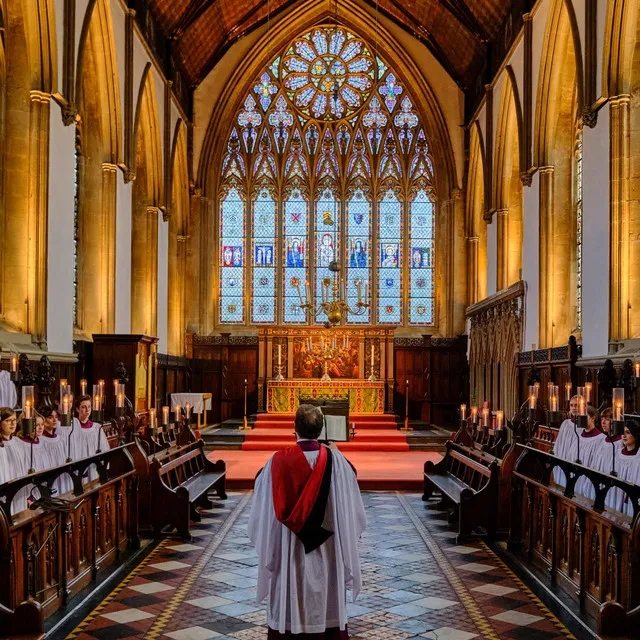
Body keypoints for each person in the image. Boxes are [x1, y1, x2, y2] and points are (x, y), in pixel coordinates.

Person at [249, 404, 366, 639]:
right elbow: (353, 512)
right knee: (326, 592)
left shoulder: (277, 462)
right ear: (321, 429)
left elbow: (262, 509)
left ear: (295, 429)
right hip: (327, 548)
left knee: (290, 587)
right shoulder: (338, 462)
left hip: (288, 551)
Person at [39, 405, 74, 495]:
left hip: (62, 478)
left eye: (56, 417)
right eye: (50, 417)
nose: (55, 420)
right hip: (50, 479)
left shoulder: (61, 439)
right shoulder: (40, 441)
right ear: (43, 420)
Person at [72, 395, 109, 481]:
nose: (87, 410)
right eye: (83, 407)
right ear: (77, 409)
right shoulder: (72, 428)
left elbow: (104, 448)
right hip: (79, 468)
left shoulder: (96, 428)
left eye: (89, 407)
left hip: (93, 468)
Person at [0, 407, 29, 514]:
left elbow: (24, 469)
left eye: (15, 420)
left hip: (19, 492)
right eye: (8, 420)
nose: (13, 423)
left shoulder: (18, 442)